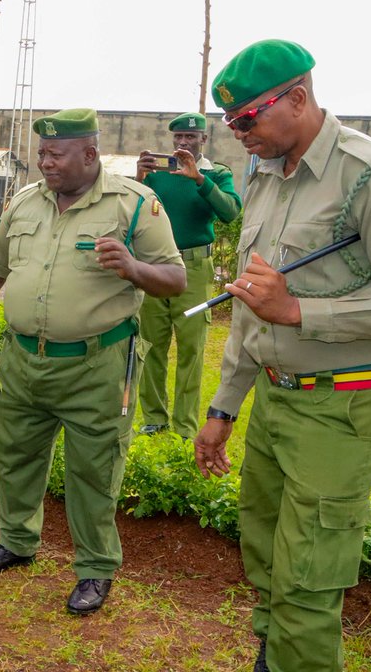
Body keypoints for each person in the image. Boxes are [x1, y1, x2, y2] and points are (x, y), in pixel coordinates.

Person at [195, 40, 371, 672]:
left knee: (309, 574)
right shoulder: (264, 178)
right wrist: (224, 408)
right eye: (229, 123)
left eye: (246, 118)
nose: (237, 134)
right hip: (276, 402)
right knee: (264, 550)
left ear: (299, 98)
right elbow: (251, 302)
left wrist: (301, 310)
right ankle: (274, 653)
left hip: (341, 407)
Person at [0, 109, 186, 615]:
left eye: (55, 154)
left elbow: (174, 279)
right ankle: (16, 541)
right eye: (42, 153)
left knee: (94, 470)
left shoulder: (135, 204)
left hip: (97, 366)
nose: (45, 162)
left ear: (90, 154)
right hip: (24, 361)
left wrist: (132, 266)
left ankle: (96, 568)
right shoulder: (25, 203)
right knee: (14, 454)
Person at [135, 113, 241, 438]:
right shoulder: (157, 174)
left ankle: (184, 426)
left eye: (190, 138)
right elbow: (131, 209)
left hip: (195, 268)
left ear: (203, 141)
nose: (183, 143)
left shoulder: (216, 173)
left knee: (191, 348)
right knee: (151, 343)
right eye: (178, 137)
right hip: (155, 266)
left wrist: (199, 179)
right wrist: (138, 177)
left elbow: (230, 211)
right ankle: (154, 420)